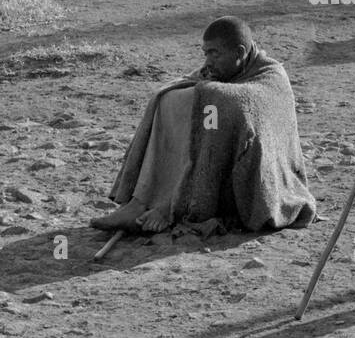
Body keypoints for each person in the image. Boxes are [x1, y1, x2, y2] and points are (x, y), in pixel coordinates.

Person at [90, 17, 316, 236]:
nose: (207, 62)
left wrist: (211, 94)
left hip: (249, 180)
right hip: (215, 161)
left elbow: (248, 103)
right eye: (205, 53)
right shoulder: (226, 69)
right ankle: (140, 202)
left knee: (213, 104)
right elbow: (188, 83)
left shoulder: (272, 75)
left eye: (214, 54)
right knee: (169, 99)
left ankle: (172, 203)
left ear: (239, 53)